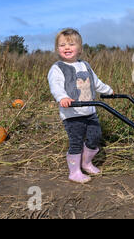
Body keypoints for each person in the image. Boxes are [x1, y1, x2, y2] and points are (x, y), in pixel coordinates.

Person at [47, 28, 113, 183]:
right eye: (62, 45)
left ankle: (86, 162)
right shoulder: (57, 68)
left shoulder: (85, 65)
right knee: (76, 142)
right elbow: (55, 86)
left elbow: (96, 82)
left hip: (90, 111)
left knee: (94, 137)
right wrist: (62, 97)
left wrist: (108, 91)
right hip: (72, 114)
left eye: (71, 44)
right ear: (57, 49)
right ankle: (74, 172)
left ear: (80, 49)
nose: (67, 47)